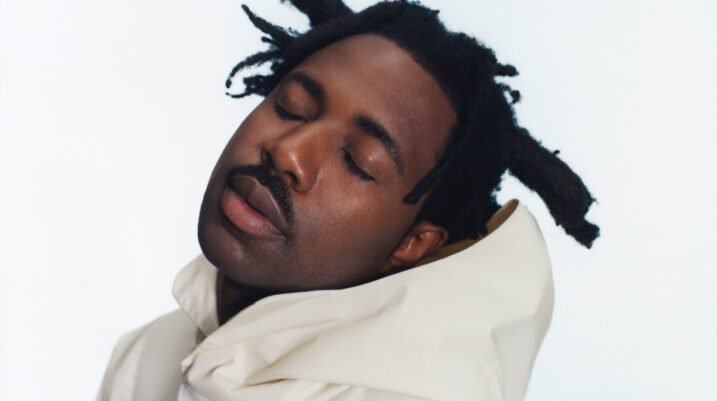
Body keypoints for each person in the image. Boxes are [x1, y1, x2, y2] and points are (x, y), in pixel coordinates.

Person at [97, 1, 599, 400]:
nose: (288, 152)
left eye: (358, 162)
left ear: (412, 243)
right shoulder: (147, 355)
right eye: (291, 107)